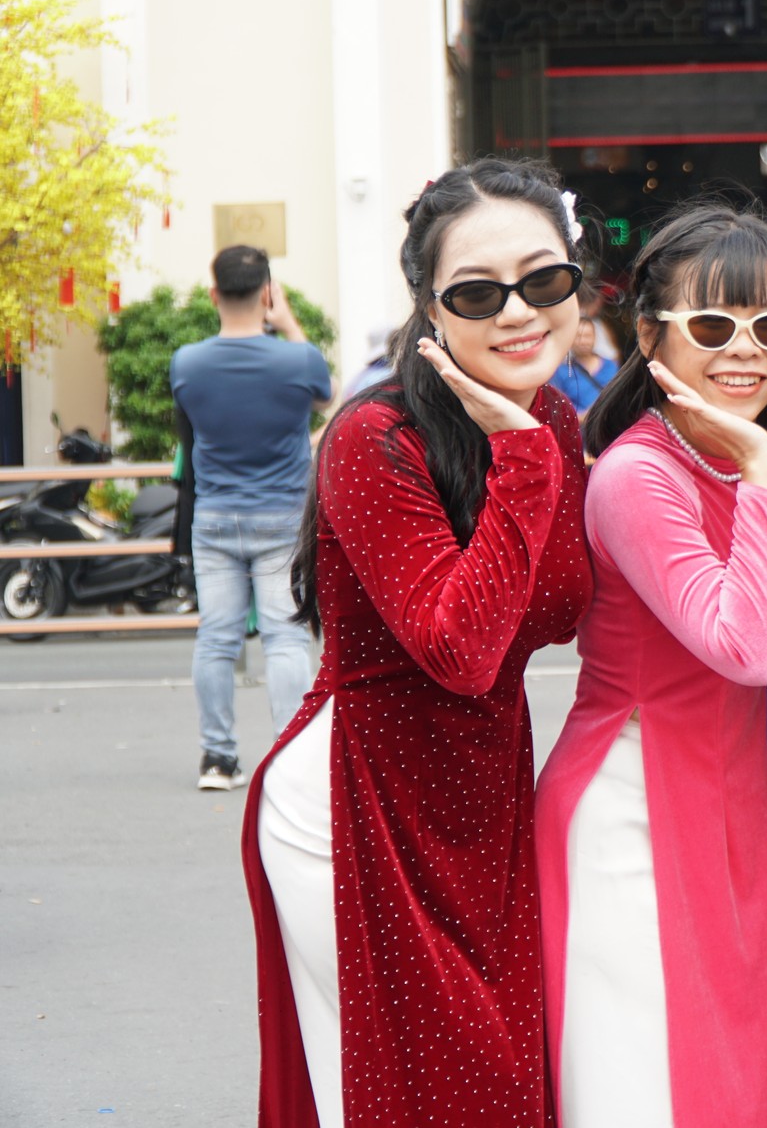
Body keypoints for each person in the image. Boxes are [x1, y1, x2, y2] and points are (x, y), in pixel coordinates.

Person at [243, 158, 592, 1128]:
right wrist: (524, 460)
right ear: (431, 308)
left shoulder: (554, 418)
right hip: (358, 804)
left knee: (502, 1083)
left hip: (483, 798)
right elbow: (459, 649)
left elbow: (558, 607)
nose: (519, 310)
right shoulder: (374, 438)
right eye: (479, 292)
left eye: (545, 280)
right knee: (421, 1094)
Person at [533, 204, 767, 1128]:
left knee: (718, 1057)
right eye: (711, 326)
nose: (745, 350)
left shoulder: (723, 455)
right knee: (642, 1081)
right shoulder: (638, 475)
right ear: (649, 333)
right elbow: (742, 646)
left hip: (720, 791)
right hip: (631, 804)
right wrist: (766, 465)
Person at [170, 245, 331, 790]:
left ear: (214, 294)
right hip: (283, 514)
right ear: (267, 292)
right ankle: (287, 755)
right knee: (286, 638)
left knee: (216, 638)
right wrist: (286, 323)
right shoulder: (297, 359)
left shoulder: (186, 363)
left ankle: (217, 758)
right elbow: (320, 394)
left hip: (214, 517)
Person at [549, 315, 619, 412]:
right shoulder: (562, 371)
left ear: (595, 337)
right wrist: (583, 417)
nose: (582, 341)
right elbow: (558, 408)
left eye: (587, 336)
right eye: (578, 336)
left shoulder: (610, 366)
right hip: (580, 425)